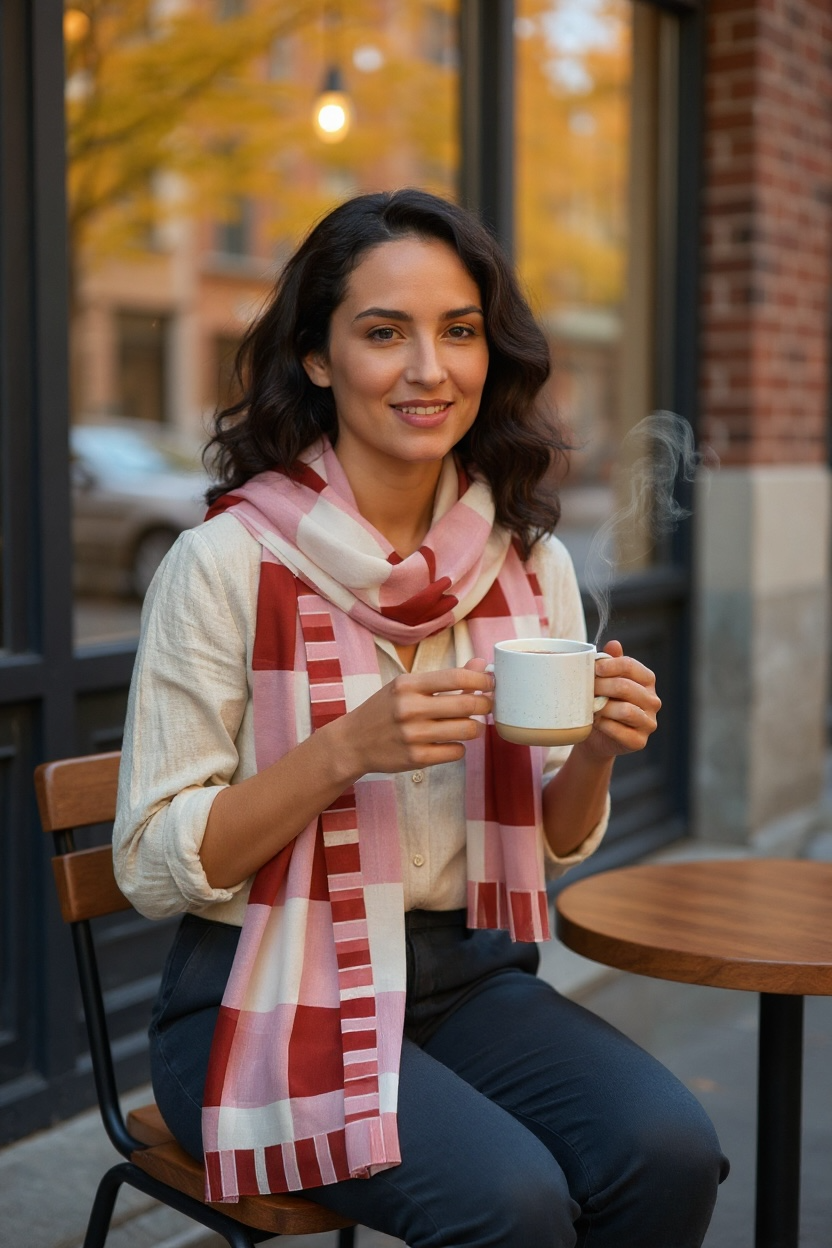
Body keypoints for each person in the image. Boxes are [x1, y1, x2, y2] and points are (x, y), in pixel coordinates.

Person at [113, 188, 728, 1248]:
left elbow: (551, 830)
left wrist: (593, 751)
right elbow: (149, 865)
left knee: (669, 1150)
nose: (430, 370)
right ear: (317, 357)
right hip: (259, 990)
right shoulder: (224, 563)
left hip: (466, 979)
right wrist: (345, 750)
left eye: (459, 331)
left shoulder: (526, 561)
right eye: (384, 332)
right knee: (511, 1205)